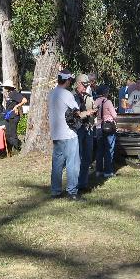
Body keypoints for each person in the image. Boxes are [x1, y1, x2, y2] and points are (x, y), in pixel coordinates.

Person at [49, 70, 83, 201]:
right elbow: (77, 112)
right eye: (70, 80)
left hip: (56, 134)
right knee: (73, 163)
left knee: (57, 164)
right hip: (69, 134)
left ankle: (55, 191)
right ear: (67, 80)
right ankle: (72, 192)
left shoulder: (51, 93)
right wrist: (90, 112)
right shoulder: (67, 94)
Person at [73, 74, 96, 191]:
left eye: (87, 84)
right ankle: (75, 184)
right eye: (84, 84)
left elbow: (93, 109)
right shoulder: (72, 96)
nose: (86, 87)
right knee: (78, 158)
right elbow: (73, 115)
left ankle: (84, 184)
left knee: (87, 157)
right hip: (77, 130)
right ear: (78, 83)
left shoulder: (89, 97)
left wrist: (94, 112)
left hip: (89, 128)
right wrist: (86, 113)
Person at [94, 84, 118, 178]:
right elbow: (114, 115)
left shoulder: (96, 101)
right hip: (108, 128)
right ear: (105, 92)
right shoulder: (108, 102)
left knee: (100, 150)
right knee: (109, 149)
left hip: (98, 127)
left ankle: (98, 170)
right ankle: (108, 171)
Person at [1, 80, 26, 152]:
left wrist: (17, 106)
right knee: (8, 132)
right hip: (9, 116)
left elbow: (24, 100)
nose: (5, 88)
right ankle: (10, 149)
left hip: (14, 116)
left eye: (5, 87)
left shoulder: (15, 93)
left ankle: (16, 148)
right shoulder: (9, 94)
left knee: (12, 133)